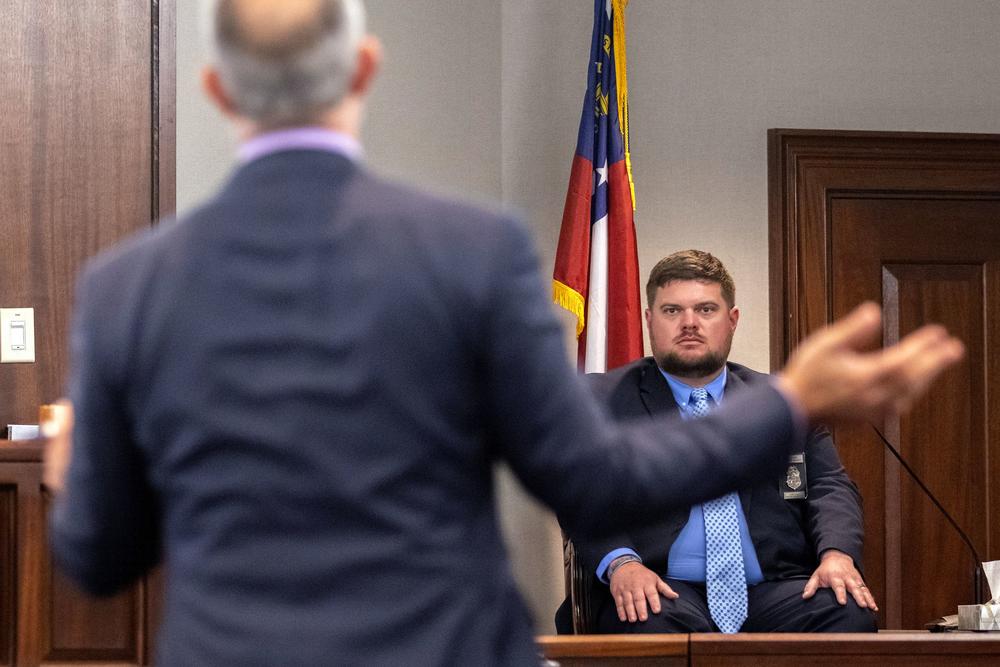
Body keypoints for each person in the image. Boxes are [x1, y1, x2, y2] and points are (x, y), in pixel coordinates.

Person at [44, 1, 963, 665]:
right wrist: (796, 400)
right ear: (365, 69)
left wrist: (73, 471)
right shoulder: (469, 252)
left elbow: (99, 552)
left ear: (215, 88)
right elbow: (595, 474)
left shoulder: (128, 285)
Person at [557, 251, 877, 635]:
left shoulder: (783, 399)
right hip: (660, 583)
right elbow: (579, 490)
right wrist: (622, 563)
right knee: (646, 619)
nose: (689, 323)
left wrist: (837, 555)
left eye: (706, 309)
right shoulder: (604, 399)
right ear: (648, 321)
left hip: (773, 588)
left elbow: (830, 486)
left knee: (846, 609)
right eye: (672, 311)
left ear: (732, 320)